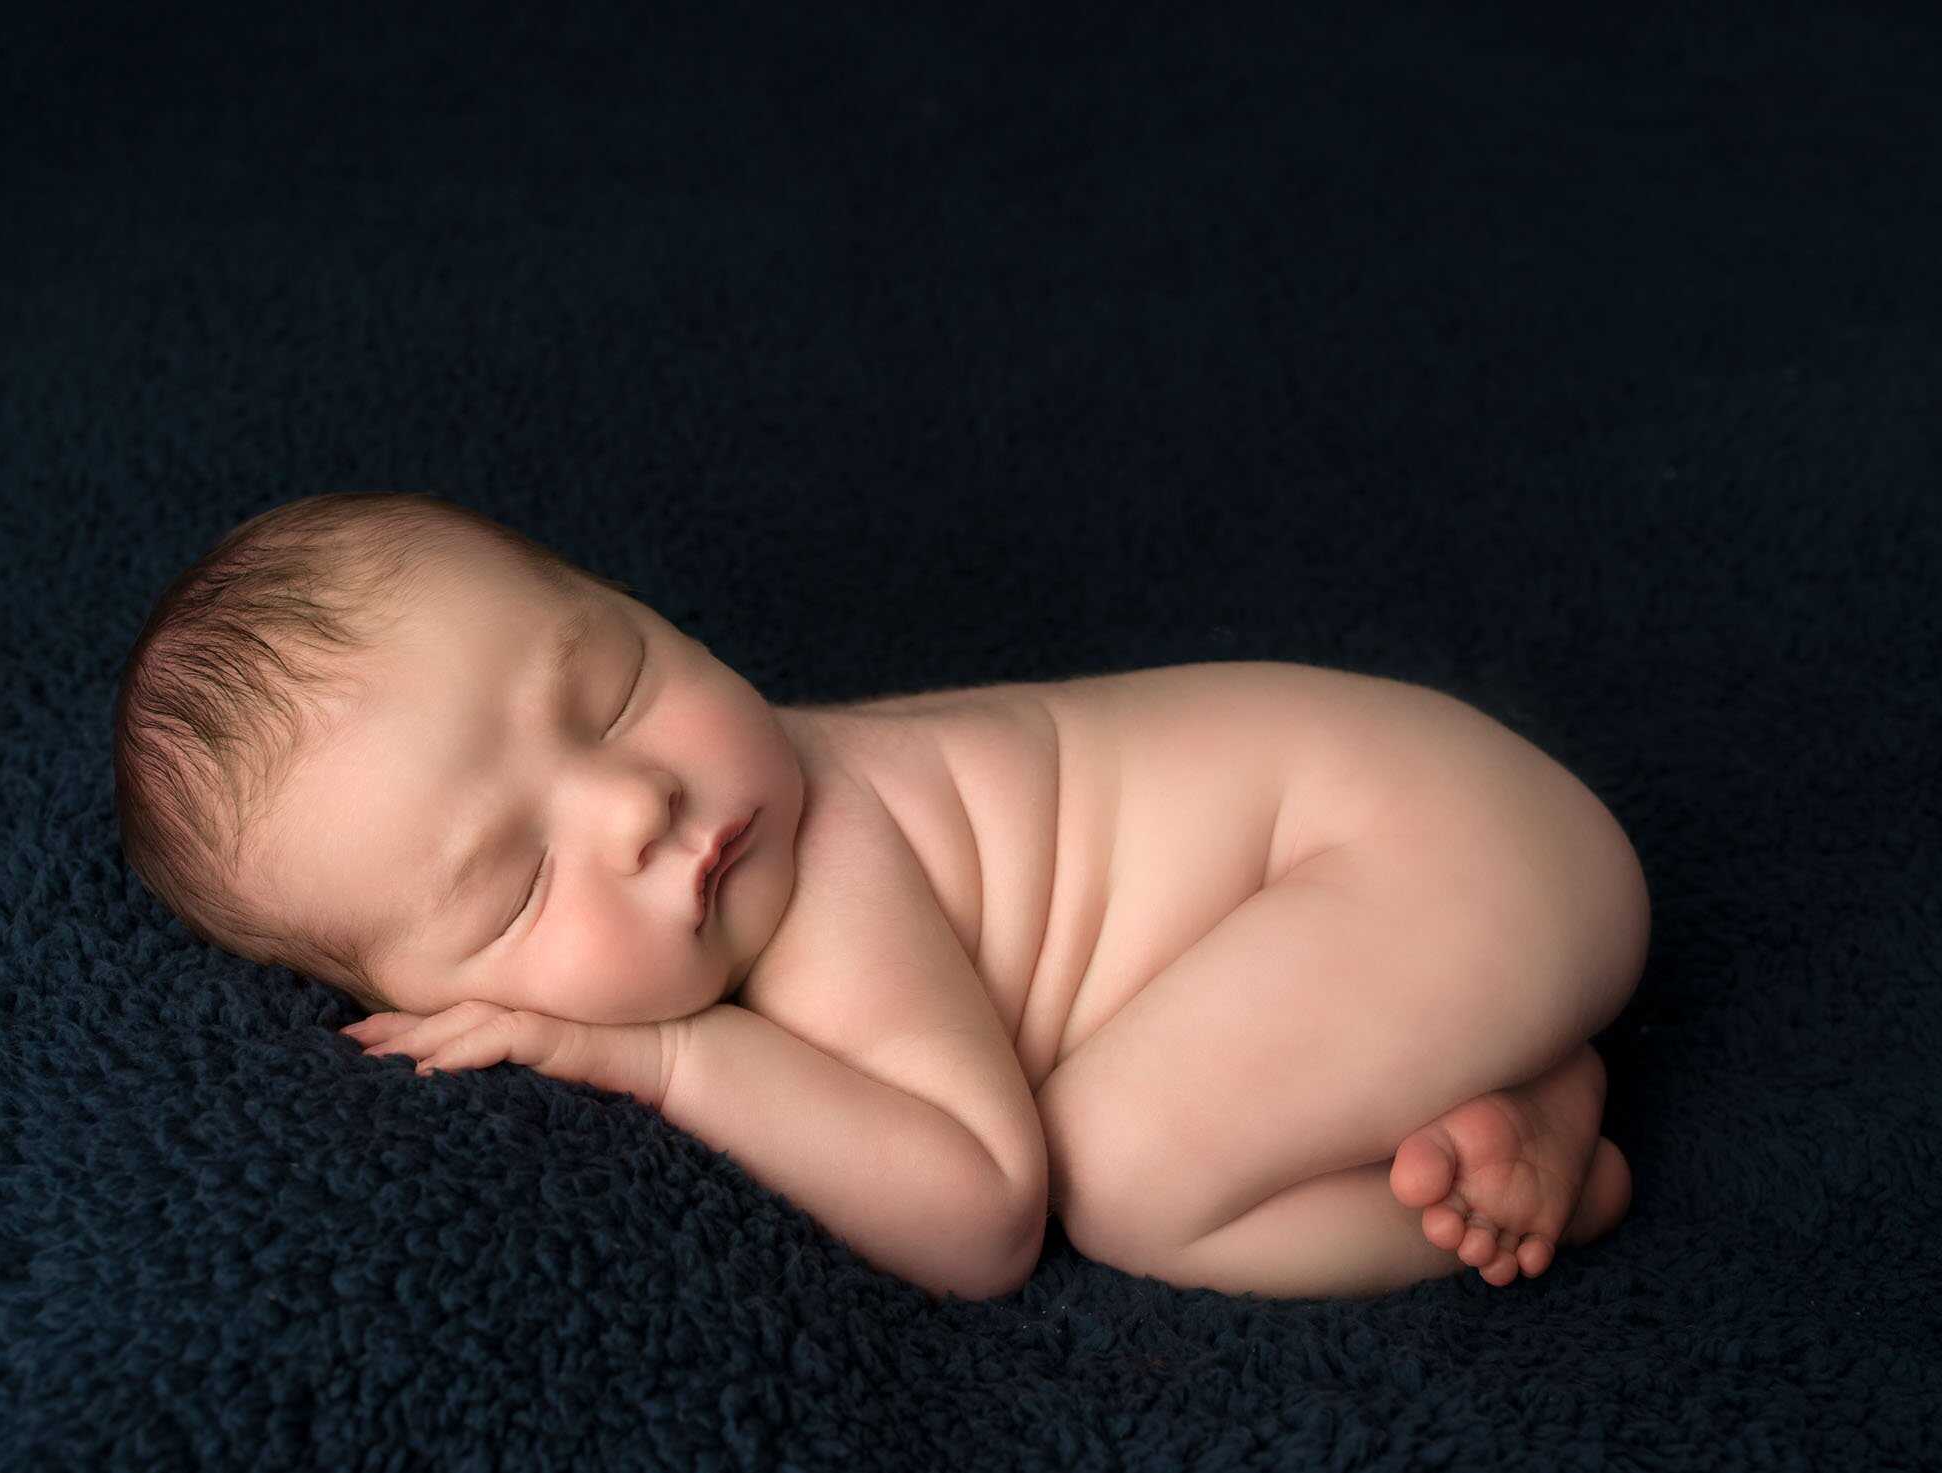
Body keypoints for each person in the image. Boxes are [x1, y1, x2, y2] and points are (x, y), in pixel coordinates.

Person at [112, 492, 1641, 1302]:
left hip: (1425, 851)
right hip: (1433, 851)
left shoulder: (825, 857)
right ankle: (1505, 1058)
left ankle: (1545, 1173)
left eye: (617, 681)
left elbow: (984, 1211)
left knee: (1126, 1172)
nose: (634, 801)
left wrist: (666, 1055)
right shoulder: (745, 818)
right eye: (516, 879)